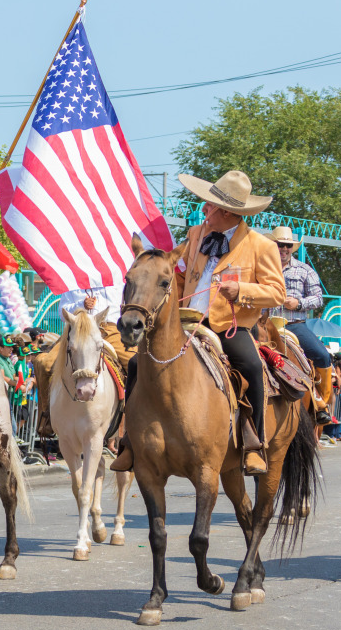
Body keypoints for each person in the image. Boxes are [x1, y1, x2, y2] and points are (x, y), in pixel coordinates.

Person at [113, 171, 285, 475]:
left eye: (209, 205)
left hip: (228, 327)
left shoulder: (262, 246)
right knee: (138, 364)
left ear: (227, 212)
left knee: (251, 367)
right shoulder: (196, 235)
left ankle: (253, 446)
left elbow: (277, 292)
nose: (204, 209)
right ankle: (130, 441)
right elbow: (181, 277)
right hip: (185, 322)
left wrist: (242, 290)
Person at [33, 285, 133, 438]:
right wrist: (82, 306)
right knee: (44, 364)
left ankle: (138, 420)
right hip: (78, 329)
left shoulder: (116, 274)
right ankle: (46, 418)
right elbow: (62, 311)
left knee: (137, 363)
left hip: (110, 328)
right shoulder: (73, 277)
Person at [269, 226, 334, 425]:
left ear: (292, 248)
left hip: (294, 325)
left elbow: (318, 298)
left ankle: (321, 404)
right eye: (280, 245)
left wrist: (299, 303)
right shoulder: (262, 267)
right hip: (264, 326)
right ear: (273, 245)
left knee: (322, 355)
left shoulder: (304, 269)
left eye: (288, 245)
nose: (284, 249)